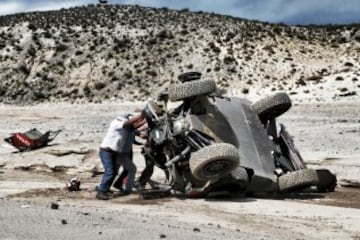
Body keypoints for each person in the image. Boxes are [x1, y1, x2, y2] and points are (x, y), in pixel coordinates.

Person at [96, 112, 146, 200]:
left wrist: (145, 119)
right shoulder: (116, 123)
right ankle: (101, 192)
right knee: (110, 171)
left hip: (114, 152)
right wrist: (141, 115)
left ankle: (105, 189)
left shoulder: (125, 127)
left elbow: (134, 126)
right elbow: (129, 123)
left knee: (114, 172)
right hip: (107, 151)